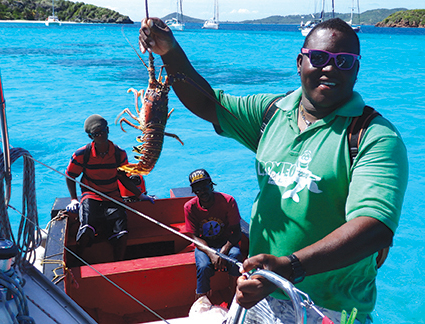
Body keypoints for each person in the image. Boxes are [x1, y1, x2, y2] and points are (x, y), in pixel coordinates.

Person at [139, 18, 408, 323]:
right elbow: (206, 102)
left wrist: (289, 267)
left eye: (344, 62)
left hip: (331, 307)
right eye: (319, 58)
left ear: (357, 70)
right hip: (261, 293)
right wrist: (169, 51)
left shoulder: (375, 136)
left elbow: (374, 228)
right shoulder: (271, 114)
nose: (330, 69)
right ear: (300, 62)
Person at [65, 114, 154, 261]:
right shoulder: (82, 154)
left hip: (112, 196)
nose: (101, 136)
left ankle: (118, 263)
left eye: (103, 131)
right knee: (86, 230)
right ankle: (78, 260)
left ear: (108, 130)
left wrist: (140, 195)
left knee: (122, 234)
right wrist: (74, 199)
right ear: (90, 137)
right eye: (96, 134)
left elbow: (123, 178)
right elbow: (70, 176)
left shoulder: (119, 154)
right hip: (90, 196)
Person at [184, 169, 242, 302]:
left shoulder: (228, 201)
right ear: (193, 191)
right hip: (205, 245)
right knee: (203, 266)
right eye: (198, 189)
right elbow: (194, 237)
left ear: (212, 185)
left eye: (205, 187)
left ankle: (234, 295)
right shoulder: (189, 207)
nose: (202, 191)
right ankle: (202, 300)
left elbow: (237, 232)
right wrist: (211, 253)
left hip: (226, 242)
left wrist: (223, 251)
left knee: (235, 257)